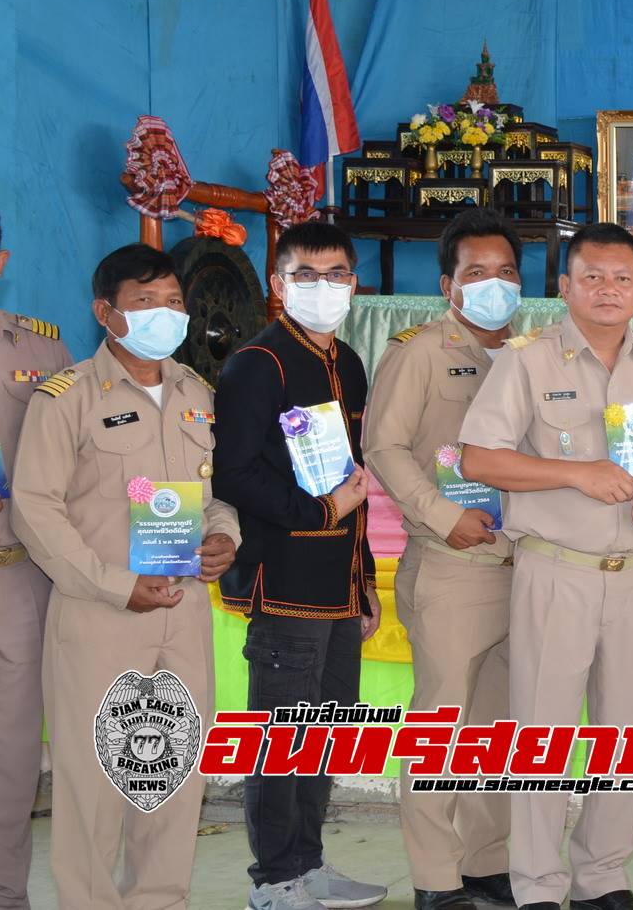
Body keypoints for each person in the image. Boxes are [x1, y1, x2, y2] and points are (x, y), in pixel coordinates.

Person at [459, 223, 633, 910]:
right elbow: (479, 459)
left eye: (621, 278)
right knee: (544, 732)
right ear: (563, 287)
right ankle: (537, 885)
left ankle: (603, 877)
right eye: (591, 277)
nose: (607, 290)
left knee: (624, 732)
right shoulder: (527, 361)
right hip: (555, 570)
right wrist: (579, 474)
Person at [13, 243, 239, 909]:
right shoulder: (69, 397)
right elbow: (35, 510)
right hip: (100, 618)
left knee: (171, 775)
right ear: (105, 312)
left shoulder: (196, 393)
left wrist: (225, 534)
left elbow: (213, 493)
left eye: (173, 302)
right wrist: (115, 584)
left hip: (183, 613)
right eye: (145, 303)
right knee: (95, 783)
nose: (164, 315)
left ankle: (160, 900)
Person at [214, 222, 387, 910]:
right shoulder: (259, 362)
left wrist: (366, 576)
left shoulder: (347, 359)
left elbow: (354, 480)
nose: (325, 287)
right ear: (279, 284)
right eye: (306, 275)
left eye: (337, 273)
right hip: (285, 579)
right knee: (280, 738)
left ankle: (310, 864)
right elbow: (236, 472)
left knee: (330, 729)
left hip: (340, 583)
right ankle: (274, 880)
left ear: (354, 282)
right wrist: (318, 512)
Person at [362, 210, 523, 910]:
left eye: (507, 273)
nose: (494, 285)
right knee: (441, 728)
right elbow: (384, 447)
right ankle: (435, 877)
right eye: (477, 273)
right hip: (453, 567)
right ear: (449, 286)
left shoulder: (530, 357)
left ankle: (490, 862)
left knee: (502, 728)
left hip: (524, 565)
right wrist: (442, 515)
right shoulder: (420, 351)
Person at [0, 211, 71, 910]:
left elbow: (76, 464)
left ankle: (6, 892)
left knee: (13, 755)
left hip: (15, 573)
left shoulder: (41, 351)